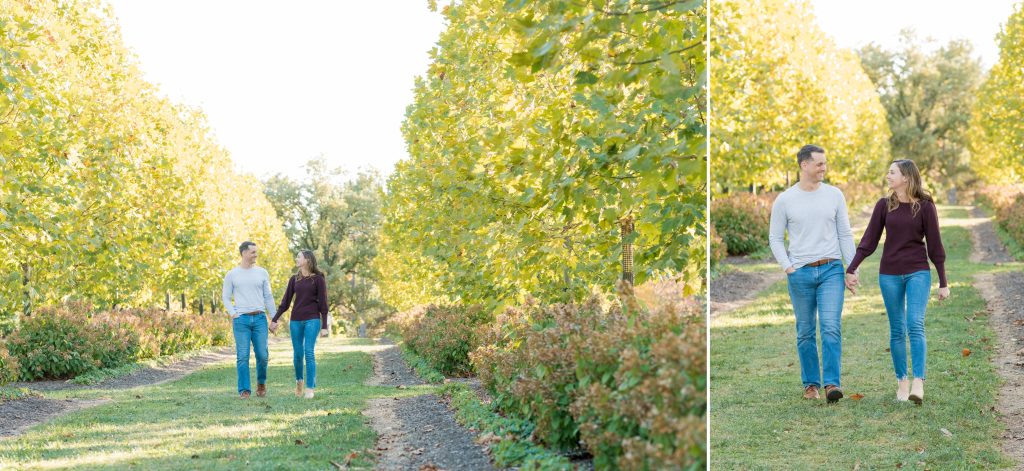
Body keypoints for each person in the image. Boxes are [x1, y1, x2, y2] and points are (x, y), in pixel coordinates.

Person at [845, 159, 950, 404]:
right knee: (897, 329)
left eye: (892, 172)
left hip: (917, 272)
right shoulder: (884, 205)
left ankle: (918, 382)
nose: (888, 176)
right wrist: (851, 268)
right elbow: (869, 240)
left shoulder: (925, 206)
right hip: (889, 274)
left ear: (906, 177)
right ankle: (902, 381)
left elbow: (935, 246)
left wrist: (943, 282)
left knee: (915, 323)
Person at [769, 144, 856, 403]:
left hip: (831, 269)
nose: (823, 168)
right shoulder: (785, 200)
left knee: (831, 327)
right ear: (804, 165)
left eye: (824, 163)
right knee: (805, 331)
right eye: (819, 163)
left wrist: (851, 268)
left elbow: (844, 234)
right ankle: (811, 385)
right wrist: (788, 267)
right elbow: (775, 238)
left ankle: (832, 384)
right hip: (801, 274)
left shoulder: (834, 195)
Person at [222, 241, 277, 399]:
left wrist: (274, 318)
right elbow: (225, 297)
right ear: (244, 253)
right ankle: (244, 390)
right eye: (253, 252)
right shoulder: (232, 274)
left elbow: (268, 297)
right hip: (241, 321)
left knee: (262, 355)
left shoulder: (262, 273)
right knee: (243, 356)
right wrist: (233, 313)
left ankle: (261, 382)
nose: (256, 255)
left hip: (259, 318)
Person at [271, 250, 329, 399]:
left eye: (299, 256)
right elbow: (285, 302)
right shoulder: (294, 279)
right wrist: (275, 319)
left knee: (308, 351)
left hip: (312, 319)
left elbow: (323, 303)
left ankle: (310, 388)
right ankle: (299, 382)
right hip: (295, 320)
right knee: (298, 355)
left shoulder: (318, 279)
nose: (296, 259)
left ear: (307, 259)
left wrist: (324, 326)